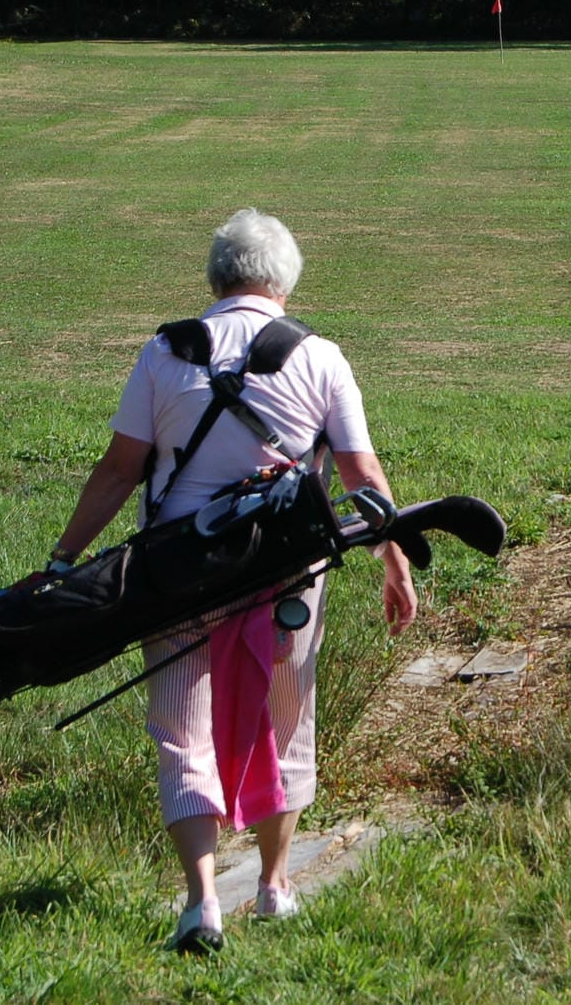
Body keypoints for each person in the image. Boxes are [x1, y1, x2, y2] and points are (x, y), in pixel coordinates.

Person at [46, 208, 417, 955]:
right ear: (285, 281)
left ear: (216, 278)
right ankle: (276, 887)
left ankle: (201, 902)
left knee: (180, 734)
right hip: (284, 576)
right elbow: (362, 477)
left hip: (176, 575)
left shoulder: (166, 350)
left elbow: (121, 470)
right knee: (288, 725)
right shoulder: (322, 357)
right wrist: (394, 559)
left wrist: (62, 563)